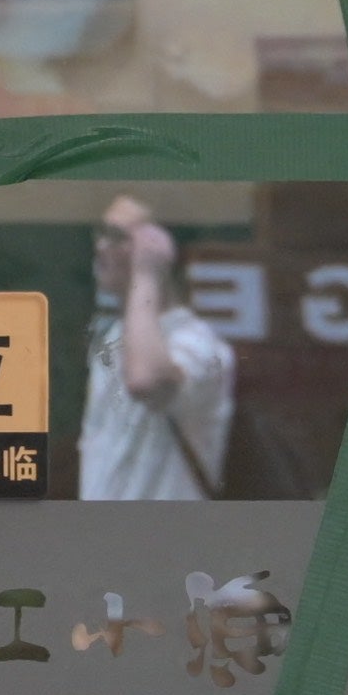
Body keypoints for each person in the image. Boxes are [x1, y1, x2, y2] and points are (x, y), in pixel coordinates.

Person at [78, 193, 235, 502]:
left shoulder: (199, 343)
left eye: (117, 237)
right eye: (100, 233)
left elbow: (146, 381)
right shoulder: (113, 338)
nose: (101, 247)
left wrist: (147, 274)